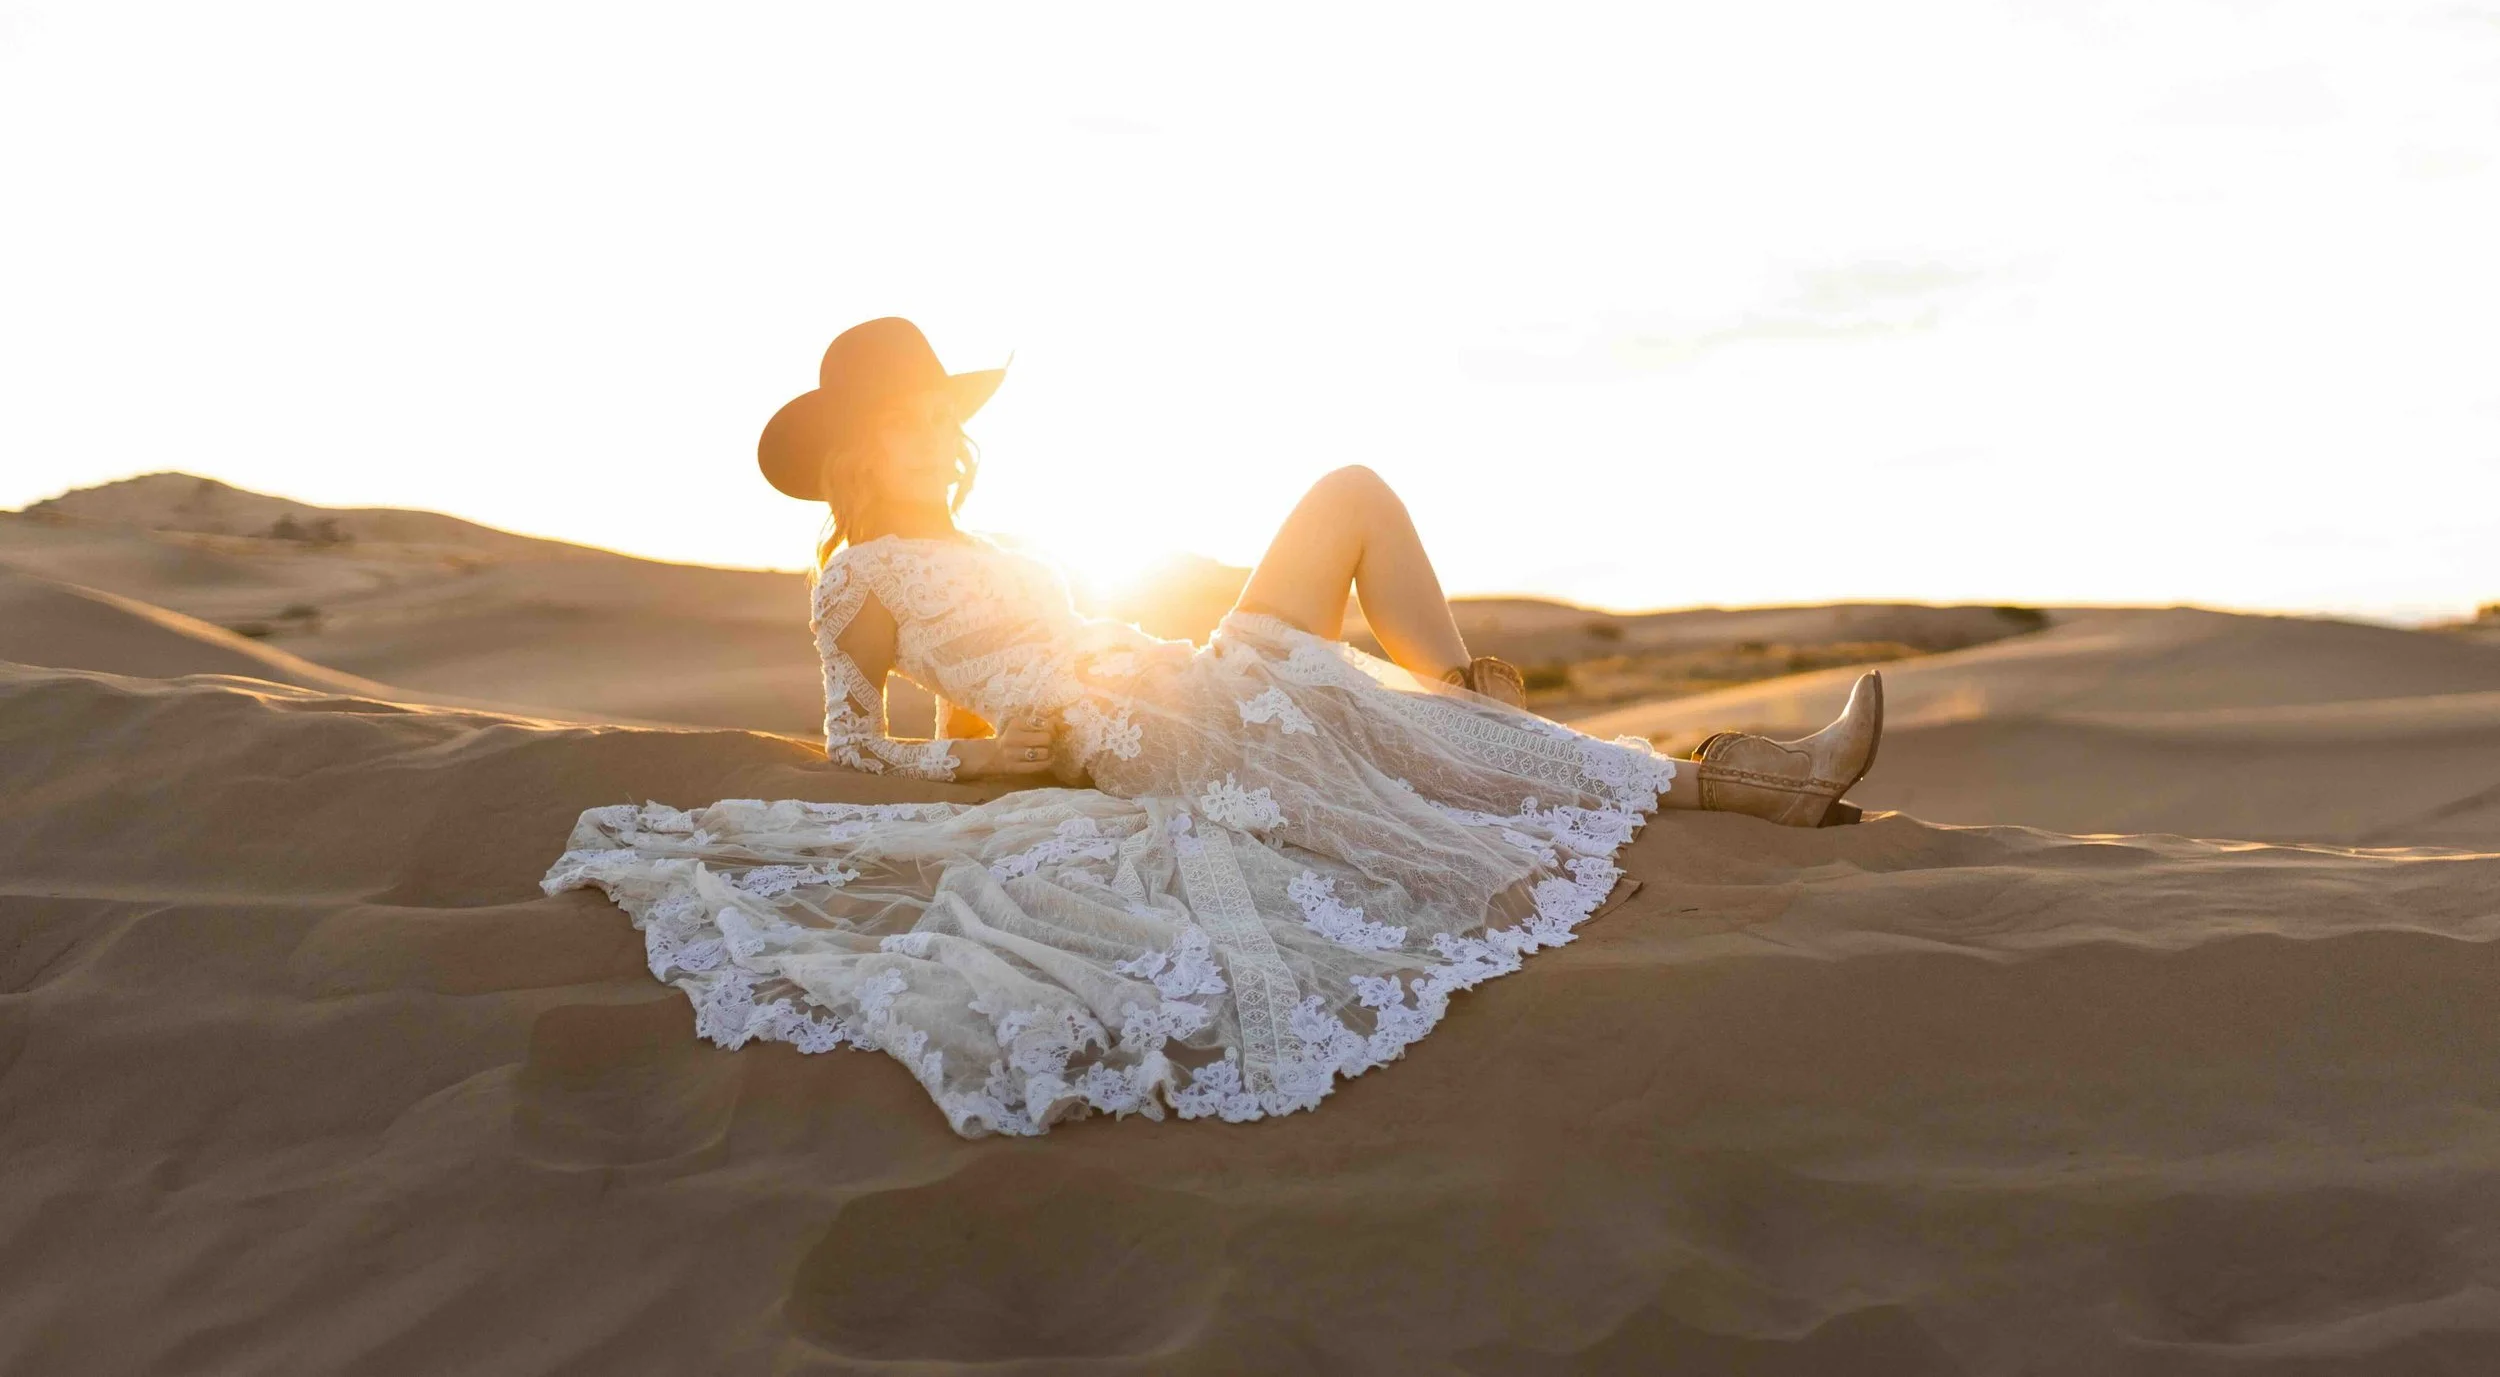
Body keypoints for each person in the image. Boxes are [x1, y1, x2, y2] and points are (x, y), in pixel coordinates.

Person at [543, 318, 1883, 1137]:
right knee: (1351, 725)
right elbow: (857, 747)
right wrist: (999, 757)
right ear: (853, 452)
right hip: (1117, 735)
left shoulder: (994, 537)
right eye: (897, 426)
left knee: (1351, 512)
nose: (925, 439)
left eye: (933, 416)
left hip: (1160, 674)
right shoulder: (860, 578)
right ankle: (1747, 782)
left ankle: (1478, 688)